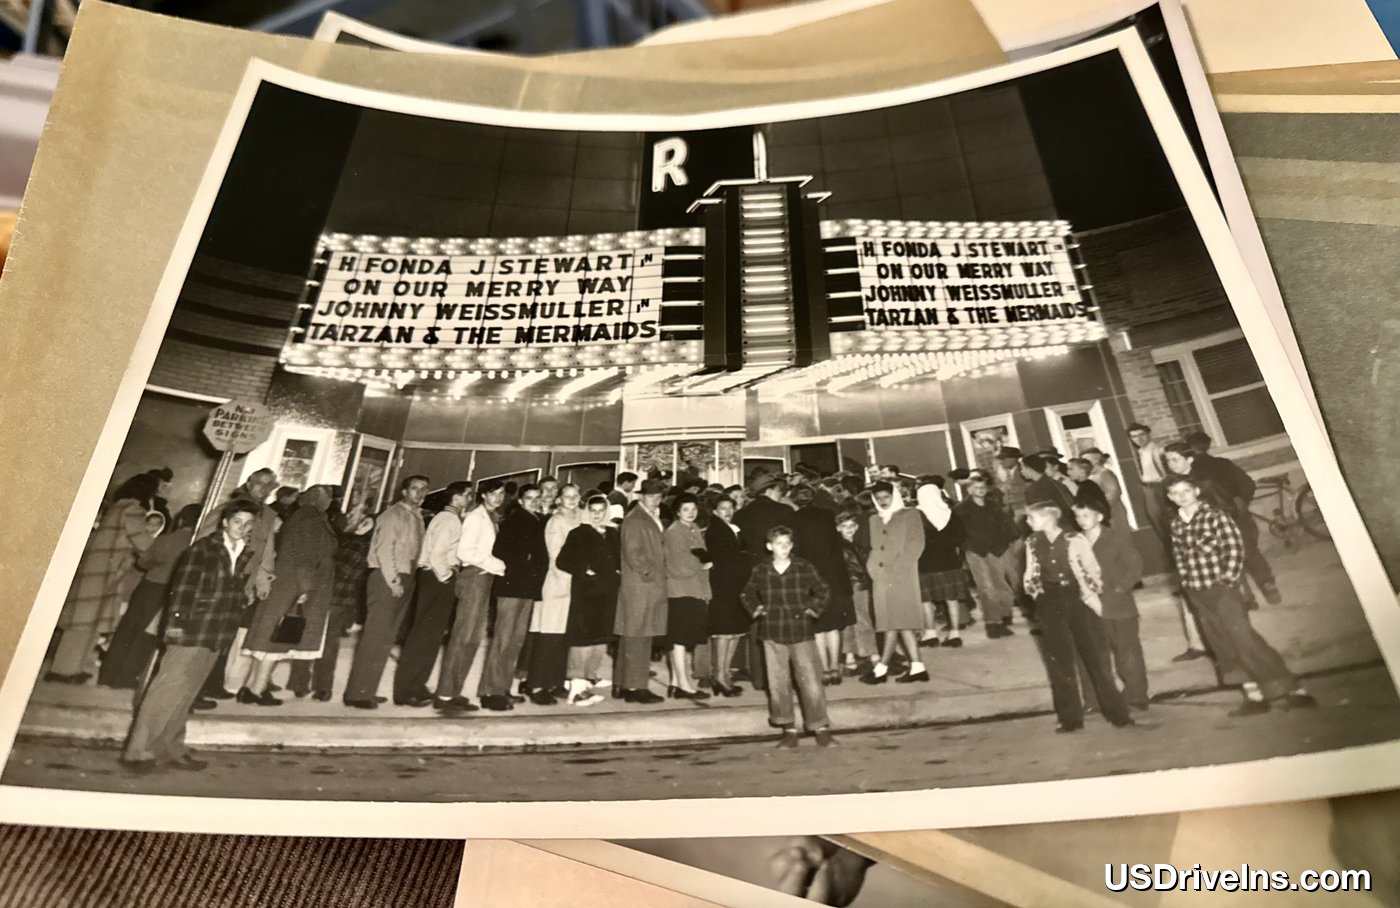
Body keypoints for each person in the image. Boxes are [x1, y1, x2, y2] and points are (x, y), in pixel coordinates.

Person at [120, 499, 257, 773]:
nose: (242, 527)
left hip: (216, 631)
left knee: (186, 695)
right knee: (165, 691)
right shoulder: (203, 550)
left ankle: (170, 747)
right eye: (237, 521)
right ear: (225, 522)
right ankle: (137, 752)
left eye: (248, 523)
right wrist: (176, 626)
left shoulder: (241, 552)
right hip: (191, 630)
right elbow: (182, 589)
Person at [1165, 475, 1316, 716]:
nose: (1182, 497)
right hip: (1197, 592)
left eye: (1186, 491)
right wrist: (1186, 582)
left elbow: (1234, 547)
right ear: (1170, 498)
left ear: (1196, 491)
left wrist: (1228, 579)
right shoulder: (1177, 524)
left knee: (1244, 640)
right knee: (1222, 644)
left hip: (1223, 589)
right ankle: (1254, 696)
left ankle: (1293, 690)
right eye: (1176, 493)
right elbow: (1180, 556)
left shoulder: (1215, 516)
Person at [1023, 502, 1135, 733]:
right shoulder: (1032, 542)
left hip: (1077, 598)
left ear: (1049, 518)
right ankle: (1070, 719)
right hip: (1049, 601)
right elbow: (1030, 572)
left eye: (1031, 518)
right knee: (1060, 662)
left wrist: (1089, 593)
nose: (1027, 523)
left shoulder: (1075, 539)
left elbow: (1092, 570)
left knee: (1096, 658)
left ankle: (1118, 714)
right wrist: (1037, 594)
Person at [51, 473, 159, 683]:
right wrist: (159, 551)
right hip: (105, 571)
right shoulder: (133, 509)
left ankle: (74, 668)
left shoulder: (118, 506)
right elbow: (143, 542)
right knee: (83, 623)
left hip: (98, 568)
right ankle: (62, 671)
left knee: (86, 621)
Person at [241, 484, 340, 707]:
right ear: (319, 499)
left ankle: (250, 687)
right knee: (276, 641)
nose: (330, 501)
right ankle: (256, 692)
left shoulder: (301, 516)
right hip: (293, 588)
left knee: (267, 639)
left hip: (287, 585)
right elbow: (305, 557)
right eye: (329, 497)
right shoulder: (312, 519)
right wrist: (306, 588)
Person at [742, 525, 835, 748]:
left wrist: (812, 609)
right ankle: (788, 729)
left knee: (810, 680)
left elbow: (822, 589)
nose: (783, 548)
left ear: (791, 545)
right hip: (772, 632)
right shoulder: (761, 570)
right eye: (778, 544)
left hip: (801, 631)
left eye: (787, 544)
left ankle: (820, 727)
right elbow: (747, 593)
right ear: (769, 546)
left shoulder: (803, 566)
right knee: (777, 682)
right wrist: (757, 609)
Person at [342, 476, 429, 709]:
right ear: (404, 491)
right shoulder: (392, 515)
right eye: (414, 489)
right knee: (375, 637)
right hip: (387, 577)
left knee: (386, 639)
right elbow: (383, 550)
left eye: (423, 489)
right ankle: (357, 694)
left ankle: (367, 688)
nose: (419, 493)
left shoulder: (417, 516)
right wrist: (393, 580)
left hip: (405, 576)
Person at [98, 504, 202, 690]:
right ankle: (126, 678)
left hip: (147, 586)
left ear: (181, 519)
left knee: (127, 629)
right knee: (145, 635)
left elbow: (143, 562)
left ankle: (107, 675)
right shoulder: (195, 544)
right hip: (168, 591)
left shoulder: (166, 539)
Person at [1174, 436, 1282, 605]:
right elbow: (1248, 484)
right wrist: (1241, 501)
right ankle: (1268, 586)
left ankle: (1246, 597)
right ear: (1208, 446)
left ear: (1190, 451)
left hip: (1214, 520)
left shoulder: (1187, 476)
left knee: (1226, 557)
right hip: (1238, 514)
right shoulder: (1223, 463)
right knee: (1250, 551)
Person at [203, 467, 280, 703]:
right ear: (249, 482)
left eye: (269, 486)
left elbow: (266, 547)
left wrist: (263, 578)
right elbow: (205, 537)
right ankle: (201, 686)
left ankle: (213, 683)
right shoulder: (232, 508)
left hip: (245, 582)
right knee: (211, 633)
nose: (264, 490)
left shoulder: (267, 514)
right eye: (260, 484)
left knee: (227, 635)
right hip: (223, 577)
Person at [393, 481, 472, 709]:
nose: (469, 500)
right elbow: (437, 554)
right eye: (467, 496)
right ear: (456, 498)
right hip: (437, 579)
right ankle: (406, 690)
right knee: (424, 636)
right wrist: (447, 577)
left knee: (430, 636)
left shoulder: (447, 518)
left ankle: (416, 685)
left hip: (435, 579)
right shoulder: (449, 520)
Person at [1072, 497, 1150, 712]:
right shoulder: (1076, 541)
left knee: (1127, 651)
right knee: (1094, 654)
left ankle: (1136, 694)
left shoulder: (1115, 538)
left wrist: (1120, 588)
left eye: (1085, 515)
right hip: (1089, 605)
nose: (1081, 520)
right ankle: (1095, 700)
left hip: (1118, 604)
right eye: (1077, 516)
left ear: (1100, 516)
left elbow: (1135, 565)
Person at [289, 509, 374, 702]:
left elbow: (341, 570)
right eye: (358, 520)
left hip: (332, 598)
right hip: (337, 599)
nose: (359, 524)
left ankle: (308, 685)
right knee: (324, 643)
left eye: (366, 523)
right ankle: (319, 687)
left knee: (316, 641)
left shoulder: (357, 544)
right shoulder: (346, 540)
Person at [438, 479, 506, 713]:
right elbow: (465, 551)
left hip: (485, 577)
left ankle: (453, 691)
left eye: (501, 494)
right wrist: (498, 565)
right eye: (494, 493)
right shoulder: (476, 518)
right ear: (484, 495)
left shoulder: (490, 517)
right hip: (475, 577)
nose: (498, 498)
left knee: (473, 639)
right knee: (463, 637)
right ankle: (445, 694)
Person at [478, 483, 548, 711]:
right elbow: (500, 552)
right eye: (530, 498)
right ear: (520, 501)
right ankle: (490, 692)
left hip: (525, 589)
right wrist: (525, 561)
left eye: (538, 498)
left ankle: (503, 687)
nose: (535, 502)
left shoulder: (535, 519)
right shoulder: (515, 520)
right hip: (512, 588)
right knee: (503, 641)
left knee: (515, 641)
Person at [526, 483, 584, 705]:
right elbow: (556, 557)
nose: (571, 499)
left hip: (573, 586)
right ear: (559, 499)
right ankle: (537, 685)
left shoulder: (579, 518)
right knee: (548, 637)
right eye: (566, 496)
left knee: (562, 637)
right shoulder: (556, 521)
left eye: (575, 495)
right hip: (558, 584)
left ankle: (555, 682)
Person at [862, 480, 925, 684]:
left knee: (894, 622)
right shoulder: (874, 519)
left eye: (886, 497)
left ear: (894, 496)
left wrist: (899, 570)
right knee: (897, 622)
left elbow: (916, 545)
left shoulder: (910, 515)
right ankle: (917, 667)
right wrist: (872, 569)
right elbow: (874, 548)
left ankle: (881, 669)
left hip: (902, 577)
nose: (883, 501)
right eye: (878, 498)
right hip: (880, 579)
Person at [558, 495, 619, 706]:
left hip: (608, 593)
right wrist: (585, 569)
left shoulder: (612, 533)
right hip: (587, 593)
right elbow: (562, 561)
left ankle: (589, 676)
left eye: (601, 510)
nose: (597, 514)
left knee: (601, 638)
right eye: (593, 510)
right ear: (586, 511)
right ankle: (576, 684)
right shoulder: (578, 533)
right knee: (582, 638)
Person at [790, 485, 853, 684]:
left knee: (818, 626)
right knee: (834, 625)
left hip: (810, 578)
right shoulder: (827, 514)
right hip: (834, 575)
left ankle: (824, 670)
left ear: (794, 500)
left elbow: (796, 551)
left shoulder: (793, 519)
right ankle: (835, 668)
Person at [616, 478, 669, 704]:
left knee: (635, 636)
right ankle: (635, 687)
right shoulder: (636, 519)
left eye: (658, 496)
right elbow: (634, 553)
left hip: (644, 586)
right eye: (651, 496)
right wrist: (653, 573)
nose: (655, 500)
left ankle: (624, 684)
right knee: (639, 637)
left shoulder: (648, 516)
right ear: (641, 496)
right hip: (642, 586)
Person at [954, 474, 1020, 640]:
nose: (980, 490)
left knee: (1001, 584)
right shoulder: (961, 509)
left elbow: (1006, 527)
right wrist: (967, 546)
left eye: (983, 487)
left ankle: (1004, 616)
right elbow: (957, 533)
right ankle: (992, 623)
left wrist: (1003, 544)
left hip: (996, 550)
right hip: (976, 551)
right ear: (968, 489)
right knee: (985, 586)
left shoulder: (993, 505)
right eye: (976, 488)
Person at [663, 493, 712, 700]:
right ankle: (684, 684)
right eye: (686, 509)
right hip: (680, 590)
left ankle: (675, 683)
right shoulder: (674, 532)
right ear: (677, 512)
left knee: (683, 638)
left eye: (693, 509)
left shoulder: (692, 529)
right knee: (679, 639)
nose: (691, 513)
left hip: (693, 588)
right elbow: (678, 564)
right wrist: (701, 563)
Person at [914, 483, 971, 654]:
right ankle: (954, 633)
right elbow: (961, 537)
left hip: (924, 563)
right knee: (951, 598)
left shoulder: (917, 515)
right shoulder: (950, 513)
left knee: (926, 600)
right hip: (949, 562)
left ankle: (930, 633)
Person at [704, 495, 752, 697]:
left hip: (734, 587)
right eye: (723, 508)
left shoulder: (733, 528)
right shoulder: (715, 529)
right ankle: (719, 675)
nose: (728, 511)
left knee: (734, 632)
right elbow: (724, 558)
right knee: (724, 633)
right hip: (723, 587)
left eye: (731, 508)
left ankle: (724, 674)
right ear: (715, 511)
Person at [835, 511, 877, 677]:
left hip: (847, 587)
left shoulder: (847, 544)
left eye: (852, 526)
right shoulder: (847, 546)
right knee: (863, 620)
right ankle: (872, 655)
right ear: (838, 528)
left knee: (850, 622)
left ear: (857, 527)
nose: (849, 529)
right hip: (857, 586)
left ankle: (850, 659)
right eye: (845, 526)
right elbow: (859, 568)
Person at [1128, 423, 1171, 549]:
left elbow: (1167, 472)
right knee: (1157, 523)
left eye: (1142, 435)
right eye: (1134, 437)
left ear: (1148, 434)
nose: (1139, 439)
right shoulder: (1140, 452)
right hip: (1148, 489)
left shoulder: (1158, 450)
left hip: (1160, 487)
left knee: (1165, 522)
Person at [1020, 455, 1076, 531]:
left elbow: (1036, 514)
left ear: (1029, 468)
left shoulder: (1033, 490)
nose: (1021, 471)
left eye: (1022, 468)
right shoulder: (1056, 483)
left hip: (1053, 527)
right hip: (1069, 524)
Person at [1082, 448, 1129, 528]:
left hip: (1112, 512)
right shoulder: (1089, 476)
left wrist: (1098, 507)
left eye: (1091, 459)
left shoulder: (1104, 473)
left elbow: (1114, 492)